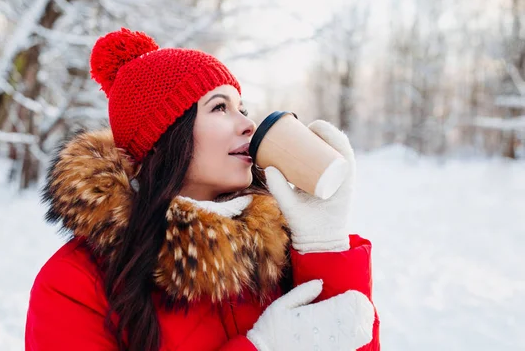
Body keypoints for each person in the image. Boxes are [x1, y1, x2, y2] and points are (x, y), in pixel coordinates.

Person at [25, 28, 380, 351]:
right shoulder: (75, 284)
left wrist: (324, 246)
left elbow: (349, 333)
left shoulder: (275, 254)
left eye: (241, 107)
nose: (248, 124)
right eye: (220, 107)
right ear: (162, 137)